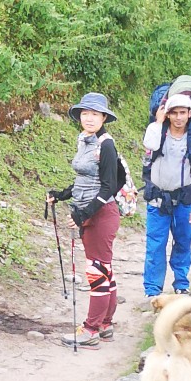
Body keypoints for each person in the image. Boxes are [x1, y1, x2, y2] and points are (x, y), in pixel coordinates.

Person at [48, 92, 129, 348]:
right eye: (85, 113)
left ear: (104, 117)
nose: (89, 118)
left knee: (97, 270)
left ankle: (91, 329)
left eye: (95, 114)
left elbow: (107, 188)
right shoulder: (85, 140)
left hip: (101, 214)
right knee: (104, 269)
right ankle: (105, 324)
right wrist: (61, 194)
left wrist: (82, 215)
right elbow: (85, 180)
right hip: (90, 211)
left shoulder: (106, 144)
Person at [142, 91, 191, 298]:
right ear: (167, 114)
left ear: (190, 113)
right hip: (157, 199)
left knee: (183, 242)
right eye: (174, 113)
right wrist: (157, 122)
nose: (179, 117)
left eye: (183, 112)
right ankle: (152, 290)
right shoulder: (157, 133)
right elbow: (150, 146)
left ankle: (181, 283)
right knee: (155, 245)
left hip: (184, 200)